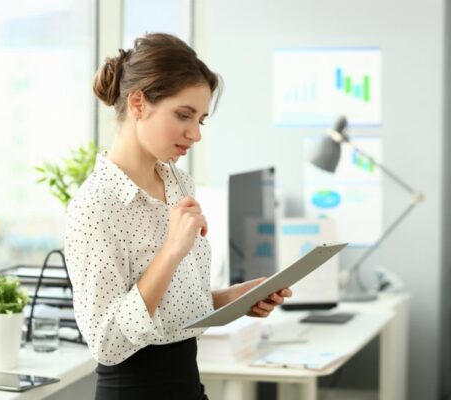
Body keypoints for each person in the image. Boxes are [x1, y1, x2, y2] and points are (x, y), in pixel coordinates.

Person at [65, 33, 292, 400]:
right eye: (184, 115)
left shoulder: (178, 183)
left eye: (201, 119)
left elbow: (172, 311)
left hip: (188, 387)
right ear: (139, 103)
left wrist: (235, 300)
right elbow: (106, 343)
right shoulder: (95, 207)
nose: (195, 133)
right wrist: (171, 250)